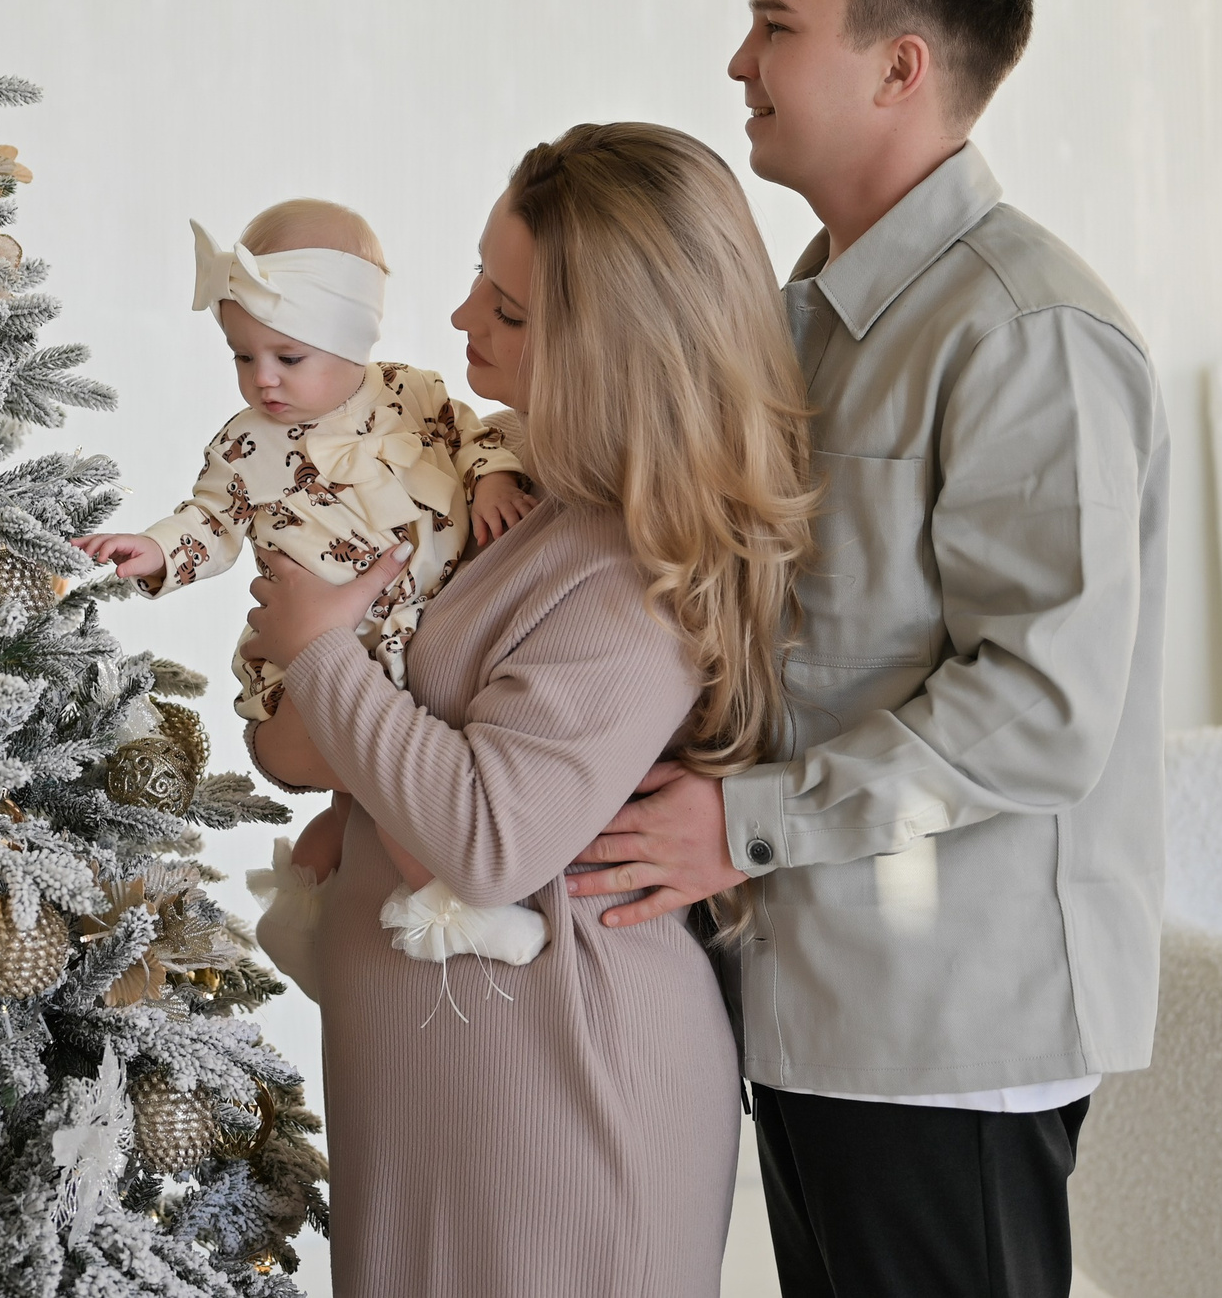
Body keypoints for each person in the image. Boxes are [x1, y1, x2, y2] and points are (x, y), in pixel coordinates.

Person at [572, 0, 1170, 1298]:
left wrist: (744, 822)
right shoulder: (807, 315)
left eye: (775, 27)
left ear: (900, 66)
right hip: (810, 1007)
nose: (739, 62)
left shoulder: (1024, 331)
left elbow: (1041, 706)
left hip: (944, 1033)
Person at [242, 126, 816, 1297]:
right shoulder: (523, 499)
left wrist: (319, 654)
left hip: (559, 1095)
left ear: (614, 354)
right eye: (477, 277)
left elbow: (489, 836)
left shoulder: (633, 570)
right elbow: (309, 742)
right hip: (452, 1092)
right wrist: (324, 703)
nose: (461, 318)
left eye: (506, 310)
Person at [72, 200, 543, 976]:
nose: (263, 379)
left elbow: (478, 437)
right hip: (319, 656)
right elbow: (210, 519)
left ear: (350, 336)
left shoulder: (416, 395)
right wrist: (156, 550)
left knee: (367, 792)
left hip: (419, 629)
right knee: (386, 783)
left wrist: (492, 480)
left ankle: (307, 894)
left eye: (288, 357)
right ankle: (455, 909)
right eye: (242, 356)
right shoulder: (245, 444)